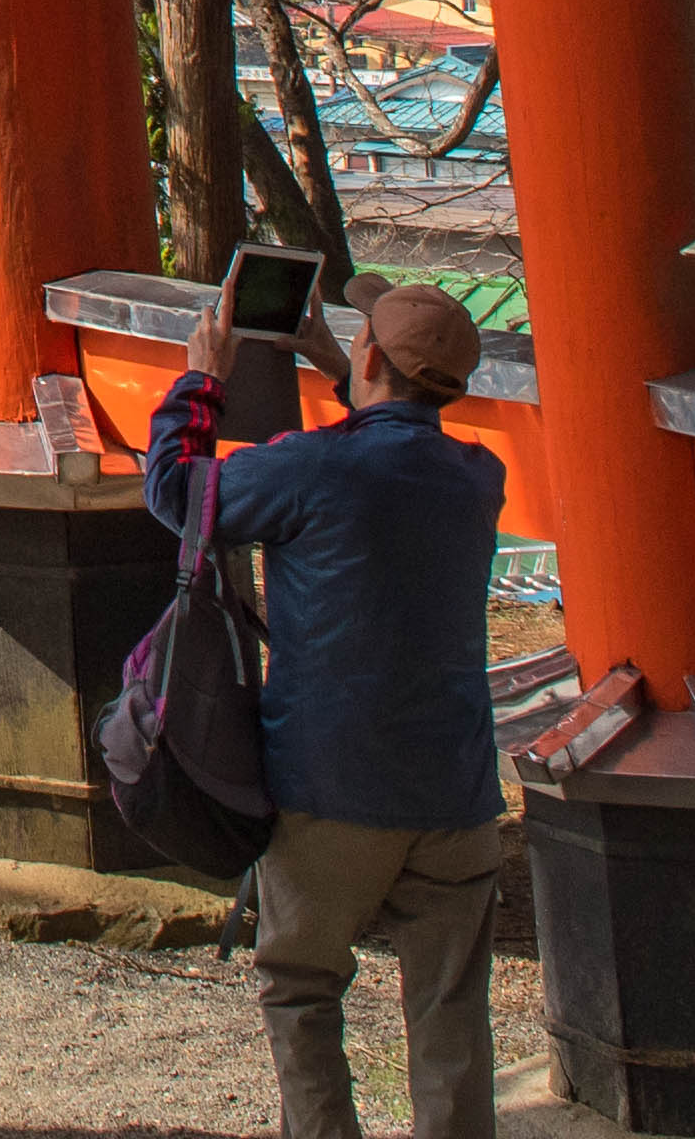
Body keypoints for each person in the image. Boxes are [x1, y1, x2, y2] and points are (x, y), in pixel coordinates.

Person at [144, 276, 513, 1139]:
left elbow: (177, 494)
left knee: (303, 986)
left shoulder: (311, 467)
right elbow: (392, 439)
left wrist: (202, 379)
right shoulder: (477, 478)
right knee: (451, 1006)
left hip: (329, 784)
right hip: (456, 792)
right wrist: (333, 359)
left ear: (373, 357)